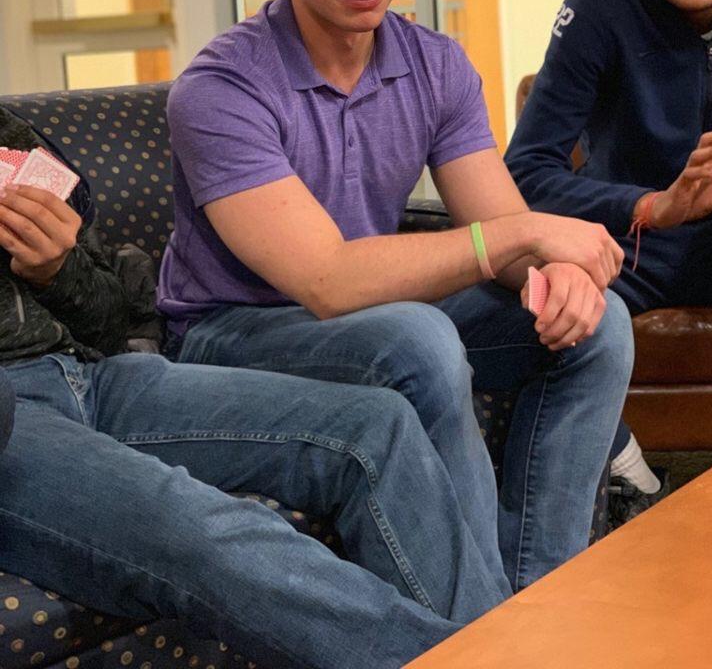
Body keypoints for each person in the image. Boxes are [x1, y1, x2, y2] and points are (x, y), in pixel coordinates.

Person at [159, 0, 634, 589]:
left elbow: (497, 222)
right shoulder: (221, 88)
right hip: (235, 332)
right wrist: (526, 236)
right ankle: (484, 623)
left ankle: (545, 594)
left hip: (378, 316)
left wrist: (557, 275)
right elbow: (328, 282)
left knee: (600, 325)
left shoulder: (435, 64)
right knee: (417, 340)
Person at [0, 106, 549, 669]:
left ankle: (497, 651)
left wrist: (57, 271)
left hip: (87, 374)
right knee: (203, 526)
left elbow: (111, 322)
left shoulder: (9, 132)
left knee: (375, 424)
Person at [505, 0, 712, 520]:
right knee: (514, 301)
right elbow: (525, 171)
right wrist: (654, 203)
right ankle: (628, 475)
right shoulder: (603, 1)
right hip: (635, 240)